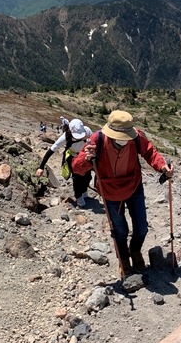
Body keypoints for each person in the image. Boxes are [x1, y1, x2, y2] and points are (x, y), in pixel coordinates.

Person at [72, 110, 174, 275]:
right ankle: (124, 258)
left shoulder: (135, 137)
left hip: (133, 186)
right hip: (110, 192)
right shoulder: (96, 140)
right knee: (120, 230)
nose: (126, 139)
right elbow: (76, 168)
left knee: (142, 228)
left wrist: (163, 166)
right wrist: (87, 159)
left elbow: (149, 152)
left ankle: (135, 251)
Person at [36, 119, 92, 207]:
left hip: (84, 156)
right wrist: (41, 167)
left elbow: (93, 144)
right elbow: (51, 150)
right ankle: (79, 197)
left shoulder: (88, 131)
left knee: (87, 175)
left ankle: (84, 191)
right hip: (72, 157)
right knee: (76, 177)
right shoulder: (66, 136)